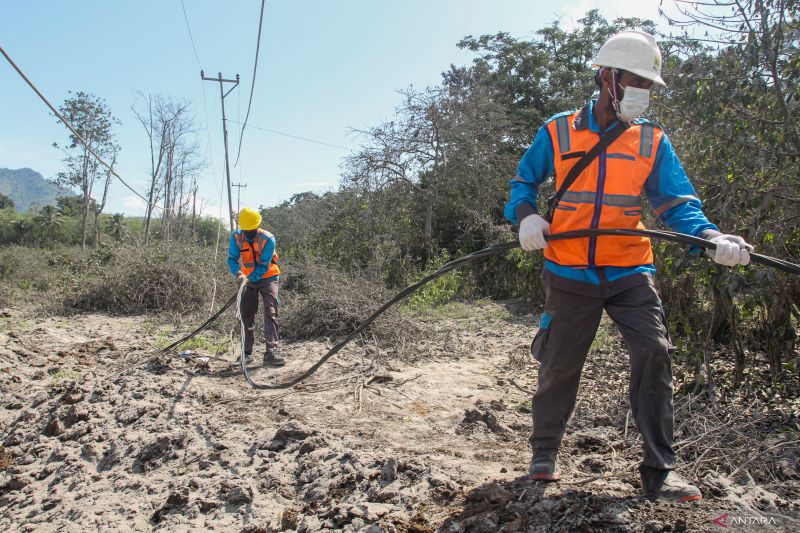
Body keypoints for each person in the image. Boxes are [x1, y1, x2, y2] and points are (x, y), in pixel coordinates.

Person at [504, 30, 752, 503]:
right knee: (559, 362)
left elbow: (677, 205)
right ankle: (544, 451)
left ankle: (660, 471)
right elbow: (522, 185)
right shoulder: (558, 130)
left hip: (629, 270)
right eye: (634, 80)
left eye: (648, 84)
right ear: (606, 77)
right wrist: (527, 217)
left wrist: (711, 237)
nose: (642, 91)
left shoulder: (653, 141)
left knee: (655, 351)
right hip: (569, 270)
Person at [227, 207, 285, 367]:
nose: (249, 233)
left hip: (269, 277)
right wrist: (238, 274)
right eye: (246, 230)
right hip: (246, 279)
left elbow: (264, 265)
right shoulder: (236, 237)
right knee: (246, 314)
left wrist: (248, 278)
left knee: (270, 312)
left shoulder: (268, 239)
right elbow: (231, 259)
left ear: (257, 226)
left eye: (251, 230)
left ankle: (271, 352)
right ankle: (247, 354)